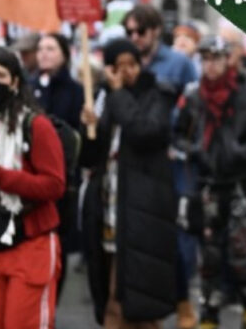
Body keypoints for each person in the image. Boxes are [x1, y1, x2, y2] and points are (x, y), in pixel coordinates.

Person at [174, 37, 246, 329]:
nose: (209, 65)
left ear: (228, 60)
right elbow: (175, 134)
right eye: (205, 59)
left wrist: (245, 152)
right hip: (209, 184)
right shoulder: (194, 94)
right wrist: (195, 148)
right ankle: (209, 315)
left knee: (240, 256)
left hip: (242, 184)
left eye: (215, 58)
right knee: (209, 255)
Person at [79, 39, 180, 329]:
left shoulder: (157, 93)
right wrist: (90, 130)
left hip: (143, 213)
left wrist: (119, 94)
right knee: (115, 297)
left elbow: (144, 132)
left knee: (137, 305)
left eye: (131, 65)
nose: (125, 73)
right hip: (110, 210)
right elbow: (89, 158)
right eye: (117, 67)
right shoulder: (105, 97)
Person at [0, 47, 66, 329]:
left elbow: (54, 185)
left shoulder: (36, 125)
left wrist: (1, 175)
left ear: (14, 82)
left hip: (30, 244)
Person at [123, 4, 199, 328]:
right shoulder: (127, 62)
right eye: (129, 32)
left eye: (139, 31)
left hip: (173, 161)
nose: (134, 38)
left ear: (155, 30)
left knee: (175, 236)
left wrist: (183, 145)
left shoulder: (179, 64)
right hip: (138, 159)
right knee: (144, 236)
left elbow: (198, 107)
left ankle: (182, 301)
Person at [31, 33, 86, 302]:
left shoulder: (76, 90)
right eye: (40, 48)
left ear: (64, 53)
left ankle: (52, 302)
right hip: (31, 179)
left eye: (51, 48)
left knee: (59, 247)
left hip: (63, 180)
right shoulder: (28, 87)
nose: (44, 53)